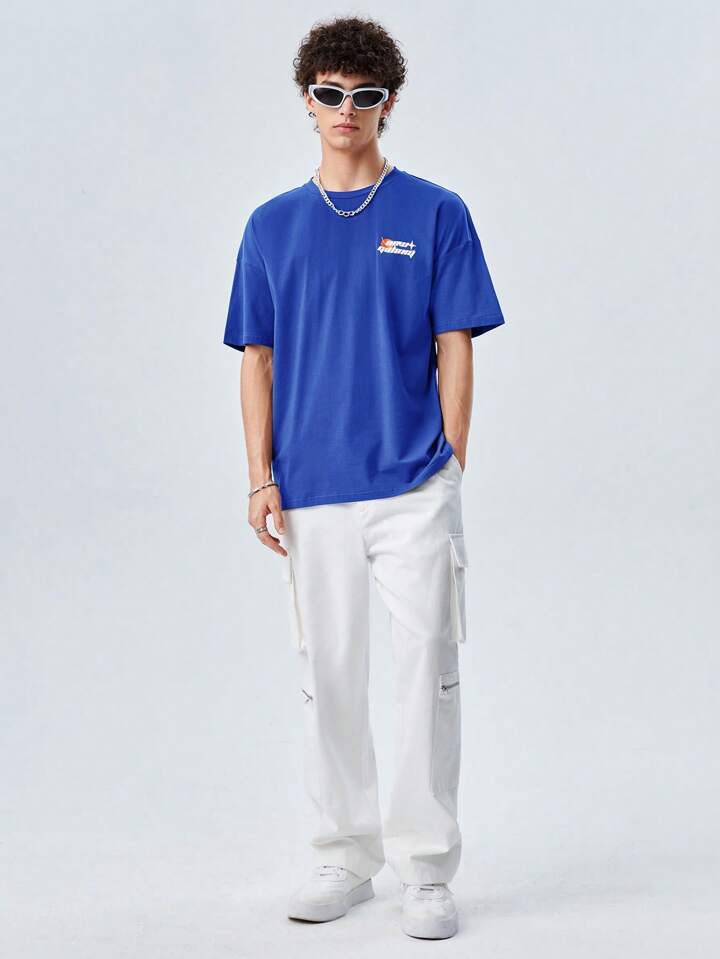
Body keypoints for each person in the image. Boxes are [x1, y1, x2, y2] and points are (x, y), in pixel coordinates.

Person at [223, 15, 505, 940]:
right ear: (307, 101)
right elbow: (257, 358)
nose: (347, 109)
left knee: (428, 672)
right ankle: (345, 853)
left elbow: (455, 341)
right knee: (330, 675)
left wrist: (449, 459)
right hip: (311, 488)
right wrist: (260, 478)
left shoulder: (435, 212)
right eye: (331, 93)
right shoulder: (271, 226)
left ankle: (425, 868)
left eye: (366, 94)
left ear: (389, 103)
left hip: (413, 483)